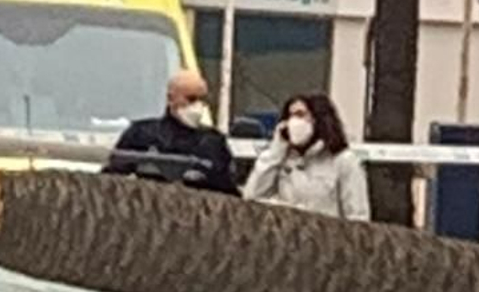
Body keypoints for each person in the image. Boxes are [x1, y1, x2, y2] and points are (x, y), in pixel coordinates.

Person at [104, 71, 238, 193]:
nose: (198, 106)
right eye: (191, 99)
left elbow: (228, 195)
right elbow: (109, 184)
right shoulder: (141, 135)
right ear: (171, 98)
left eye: (202, 99)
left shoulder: (214, 143)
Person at [246, 93, 371, 222]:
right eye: (290, 116)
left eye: (300, 114)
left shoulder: (344, 161)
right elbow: (252, 197)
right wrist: (275, 152)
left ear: (318, 119)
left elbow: (358, 217)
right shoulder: (281, 158)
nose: (293, 122)